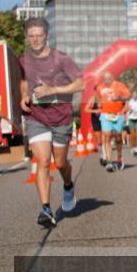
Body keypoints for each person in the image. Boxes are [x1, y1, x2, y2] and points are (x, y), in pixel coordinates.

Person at [18, 17, 84, 226]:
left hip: (61, 117)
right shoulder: (24, 61)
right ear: (27, 37)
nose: (35, 40)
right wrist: (23, 97)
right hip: (36, 117)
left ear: (47, 36)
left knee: (61, 163)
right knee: (43, 161)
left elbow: (80, 84)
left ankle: (67, 185)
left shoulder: (62, 59)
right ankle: (46, 209)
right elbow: (23, 82)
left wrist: (53, 90)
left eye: (39, 35)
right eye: (31, 36)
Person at [95, 71, 131, 172]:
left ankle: (119, 158)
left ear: (113, 77)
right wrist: (98, 104)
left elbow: (128, 96)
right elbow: (98, 98)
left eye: (108, 78)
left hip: (118, 115)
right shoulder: (100, 87)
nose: (107, 80)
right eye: (105, 78)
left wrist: (119, 98)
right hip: (106, 114)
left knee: (118, 138)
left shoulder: (120, 85)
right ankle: (109, 162)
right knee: (107, 136)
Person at [84, 93, 105, 165]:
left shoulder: (106, 96)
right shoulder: (93, 98)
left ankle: (106, 155)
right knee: (99, 140)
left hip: (105, 118)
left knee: (105, 137)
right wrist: (95, 111)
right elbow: (86, 109)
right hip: (95, 120)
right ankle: (102, 155)